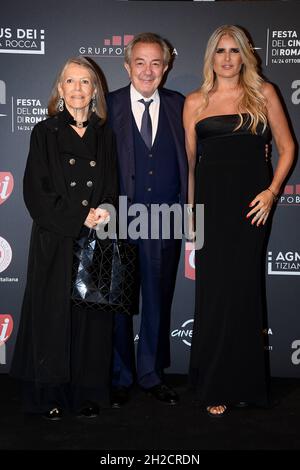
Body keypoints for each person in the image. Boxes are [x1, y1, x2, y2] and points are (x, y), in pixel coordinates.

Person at [184, 25, 294, 417]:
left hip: (252, 207)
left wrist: (272, 191)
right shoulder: (195, 102)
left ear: (245, 54)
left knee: (244, 292)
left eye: (234, 51)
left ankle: (245, 384)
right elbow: (192, 166)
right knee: (213, 296)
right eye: (220, 51)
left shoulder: (264, 94)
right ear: (210, 57)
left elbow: (287, 147)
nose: (227, 59)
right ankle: (214, 384)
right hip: (212, 210)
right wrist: (191, 214)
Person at [10, 57, 118, 420]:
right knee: (53, 318)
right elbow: (35, 193)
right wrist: (77, 216)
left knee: (90, 319)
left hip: (94, 239)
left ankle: (87, 393)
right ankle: (51, 395)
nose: (77, 89)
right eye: (70, 81)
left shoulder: (106, 135)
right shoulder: (45, 132)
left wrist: (103, 209)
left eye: (84, 82)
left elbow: (112, 186)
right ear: (60, 90)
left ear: (94, 91)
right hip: (56, 239)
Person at [107, 32, 188, 407]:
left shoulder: (179, 104)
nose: (148, 70)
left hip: (168, 218)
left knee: (158, 299)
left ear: (167, 67)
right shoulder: (108, 106)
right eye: (140, 62)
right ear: (127, 66)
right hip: (119, 218)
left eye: (156, 62)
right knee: (120, 303)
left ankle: (152, 374)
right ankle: (120, 375)